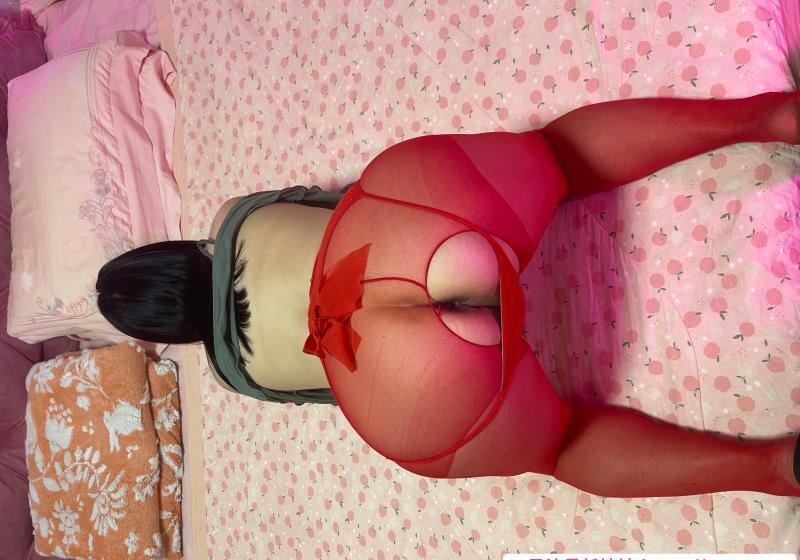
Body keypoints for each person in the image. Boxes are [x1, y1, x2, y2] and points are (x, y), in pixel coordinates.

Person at [97, 92, 800, 498]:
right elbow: (333, 202)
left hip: (412, 384)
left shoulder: (233, 376)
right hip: (410, 243)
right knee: (555, 156)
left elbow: (324, 392)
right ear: (178, 253)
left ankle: (771, 469)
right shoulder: (233, 218)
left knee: (562, 448)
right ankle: (769, 119)